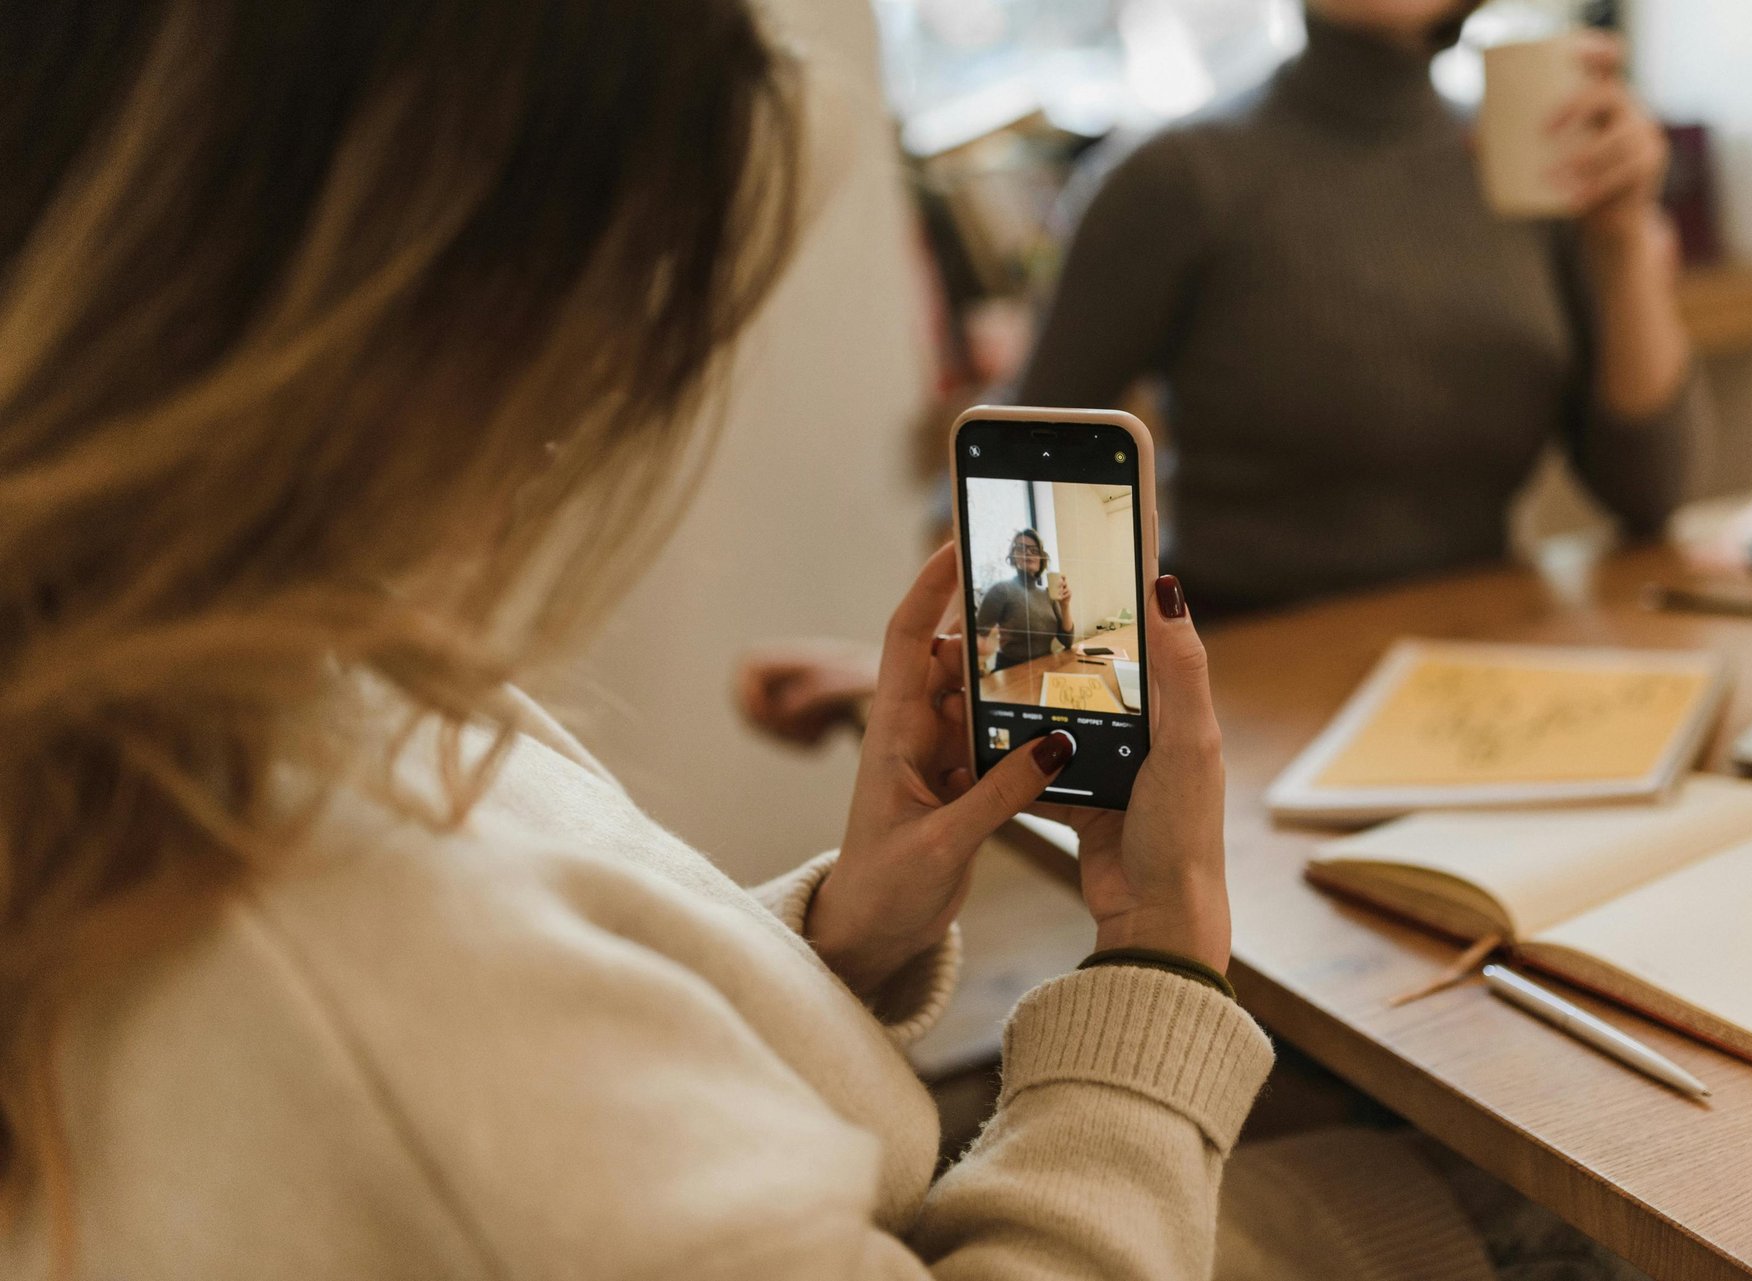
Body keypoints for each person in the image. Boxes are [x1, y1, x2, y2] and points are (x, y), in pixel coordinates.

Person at [0, 3, 1283, 1278]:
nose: (569, 430)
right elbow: (508, 1079)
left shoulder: (255, 672)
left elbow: (595, 1082)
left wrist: (844, 939)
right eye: (590, 322)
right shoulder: (345, 964)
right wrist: (1158, 951)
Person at [1018, 0, 1705, 616]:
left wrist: (1623, 241)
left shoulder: (1524, 167)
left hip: (1475, 657)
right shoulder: (1179, 178)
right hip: (1245, 672)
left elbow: (1647, 491)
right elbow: (1016, 470)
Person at [976, 528, 1074, 671]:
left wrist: (1065, 605)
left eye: (1034, 550)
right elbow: (977, 636)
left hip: (1045, 669)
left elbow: (1068, 641)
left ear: (1041, 559)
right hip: (1012, 673)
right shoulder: (1001, 590)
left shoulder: (1048, 595)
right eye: (1021, 548)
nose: (1028, 553)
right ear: (1013, 556)